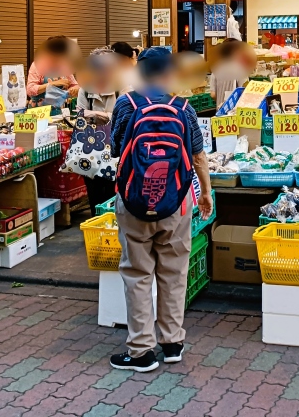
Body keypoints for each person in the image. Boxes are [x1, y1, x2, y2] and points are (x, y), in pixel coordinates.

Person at [109, 48, 213, 372]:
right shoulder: (184, 108)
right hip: (177, 203)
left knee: (138, 274)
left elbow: (115, 150)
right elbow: (198, 158)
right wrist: (206, 193)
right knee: (174, 272)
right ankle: (172, 343)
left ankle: (140, 351)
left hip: (134, 201)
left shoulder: (126, 104)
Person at [75, 47, 126, 207]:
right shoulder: (85, 89)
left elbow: (126, 116)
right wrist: (107, 115)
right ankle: (95, 227)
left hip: (117, 150)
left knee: (114, 193)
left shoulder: (122, 87)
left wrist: (97, 115)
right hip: (92, 149)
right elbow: (80, 115)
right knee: (95, 195)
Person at [27, 36, 79, 112]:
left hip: (59, 111)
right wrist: (53, 84)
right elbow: (30, 90)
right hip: (39, 112)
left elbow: (74, 85)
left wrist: (74, 90)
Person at [209, 39, 256, 107]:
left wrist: (222, 100)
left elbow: (213, 94)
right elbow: (244, 91)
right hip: (234, 112)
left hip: (220, 110)